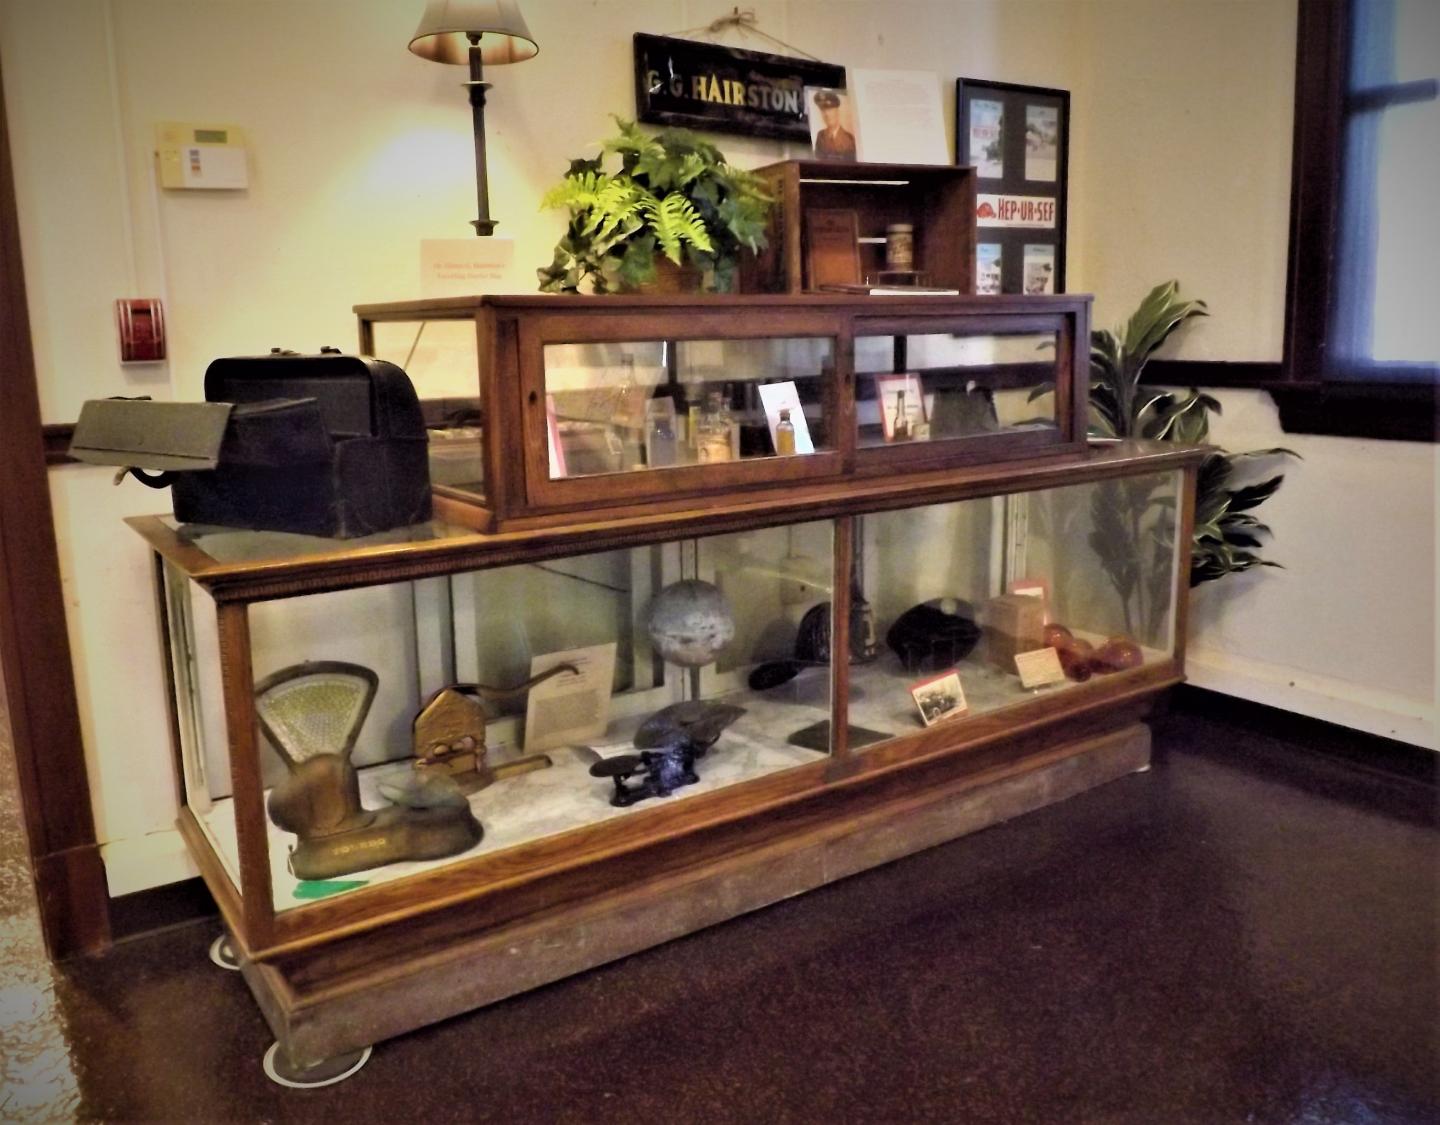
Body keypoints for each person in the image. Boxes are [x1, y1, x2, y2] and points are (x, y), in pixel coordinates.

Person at [812, 90, 856, 161]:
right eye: (823, 110)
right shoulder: (820, 136)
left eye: (830, 109)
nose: (826, 114)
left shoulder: (849, 140)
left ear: (837, 111)